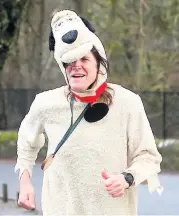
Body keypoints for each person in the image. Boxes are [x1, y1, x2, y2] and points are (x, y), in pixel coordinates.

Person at [15, 10, 163, 215]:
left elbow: (149, 157)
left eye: (84, 59)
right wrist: (25, 182)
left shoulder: (128, 102)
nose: (76, 67)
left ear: (99, 63)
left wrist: (127, 178)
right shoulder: (45, 103)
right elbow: (26, 143)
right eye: (70, 62)